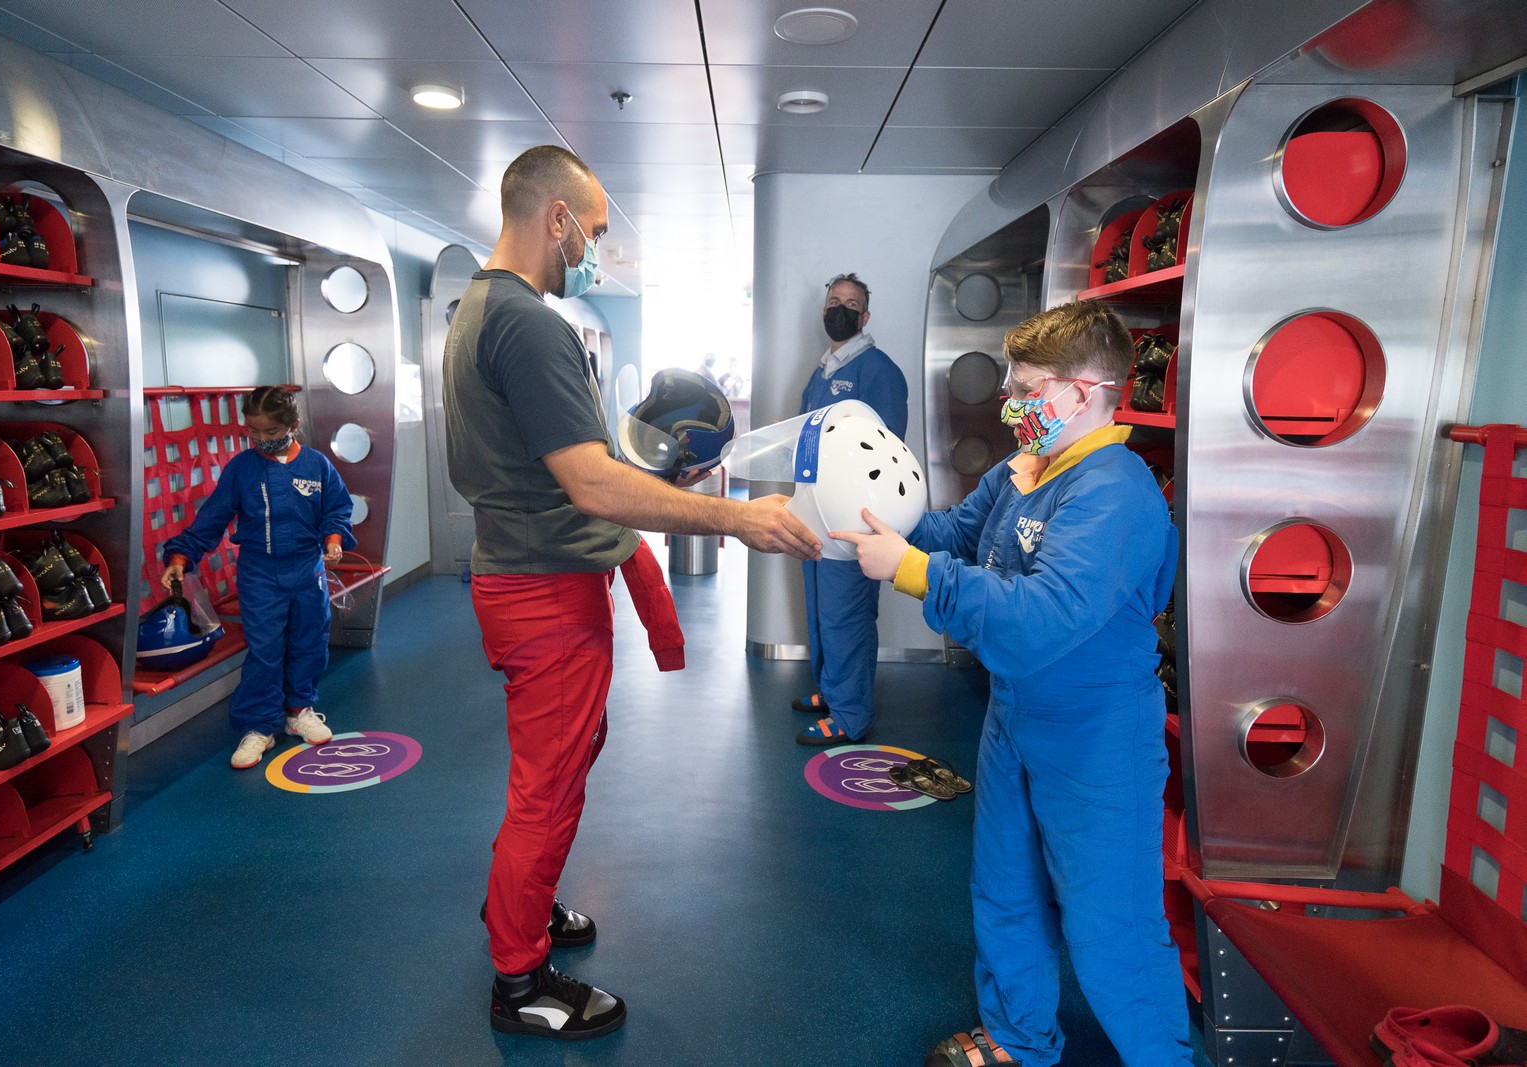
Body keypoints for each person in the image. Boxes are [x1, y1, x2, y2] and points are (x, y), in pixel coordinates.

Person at [443, 144, 821, 1042]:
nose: (595, 253)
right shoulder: (527, 322)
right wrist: (734, 519)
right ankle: (518, 975)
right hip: (544, 591)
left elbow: (583, 459)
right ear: (557, 216)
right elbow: (595, 485)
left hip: (522, 572)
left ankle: (524, 912)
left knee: (560, 768)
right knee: (547, 786)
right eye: (595, 232)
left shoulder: (479, 307)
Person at [832, 300, 1193, 1067]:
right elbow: (955, 533)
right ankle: (1017, 1038)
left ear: (1083, 391)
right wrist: (877, 522)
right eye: (1011, 383)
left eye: (1027, 387)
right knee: (1005, 890)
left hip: (1096, 737)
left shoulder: (1116, 491)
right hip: (1015, 716)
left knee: (1111, 929)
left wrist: (907, 569)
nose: (1011, 401)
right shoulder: (1027, 467)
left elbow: (1042, 615)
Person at [160, 386, 355, 770]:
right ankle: (259, 726)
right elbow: (212, 518)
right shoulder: (242, 469)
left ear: (293, 425)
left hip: (307, 570)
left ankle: (299, 709)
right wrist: (181, 556)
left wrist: (333, 538)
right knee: (265, 651)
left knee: (309, 642)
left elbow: (337, 509)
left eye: (270, 432)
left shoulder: (316, 466)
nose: (261, 439)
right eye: (253, 432)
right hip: (260, 573)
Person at [792, 272, 908, 746]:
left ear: (865, 316)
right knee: (822, 611)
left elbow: (887, 451)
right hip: (815, 513)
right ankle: (831, 690)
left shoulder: (878, 371)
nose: (839, 309)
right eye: (833, 301)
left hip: (850, 519)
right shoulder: (822, 372)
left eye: (851, 303)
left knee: (848, 614)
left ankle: (850, 714)